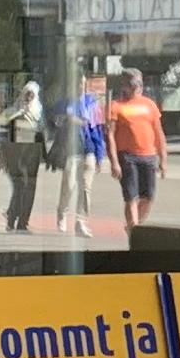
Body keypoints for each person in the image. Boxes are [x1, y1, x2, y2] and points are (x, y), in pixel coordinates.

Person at [103, 66, 169, 230]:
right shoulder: (116, 106)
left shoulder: (150, 105)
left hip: (149, 155)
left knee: (148, 198)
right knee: (131, 197)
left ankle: (133, 226)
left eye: (138, 84)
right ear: (125, 85)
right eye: (132, 84)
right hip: (127, 157)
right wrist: (114, 162)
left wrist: (163, 159)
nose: (136, 88)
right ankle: (134, 229)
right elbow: (110, 135)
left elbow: (158, 132)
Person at [0, 80, 51, 232]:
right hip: (16, 156)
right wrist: (3, 155)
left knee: (29, 188)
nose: (29, 98)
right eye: (27, 94)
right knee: (20, 186)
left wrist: (47, 156)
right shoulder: (14, 114)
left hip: (32, 155)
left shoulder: (38, 114)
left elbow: (41, 136)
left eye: (32, 95)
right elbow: (7, 139)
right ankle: (11, 219)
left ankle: (23, 222)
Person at [66, 74, 107, 239]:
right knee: (69, 187)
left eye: (83, 84)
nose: (80, 87)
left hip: (88, 149)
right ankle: (62, 212)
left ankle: (80, 222)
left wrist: (99, 156)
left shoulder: (92, 105)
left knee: (85, 188)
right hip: (71, 150)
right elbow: (64, 121)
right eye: (77, 83)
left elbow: (97, 131)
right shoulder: (68, 103)